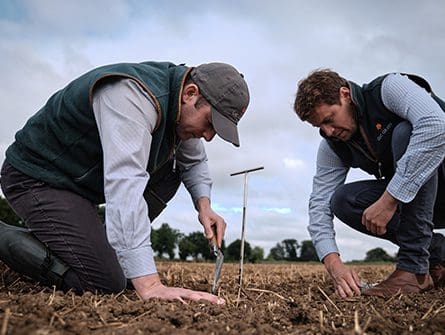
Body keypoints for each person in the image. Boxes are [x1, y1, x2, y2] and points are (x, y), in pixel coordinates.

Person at [0, 61, 250, 304]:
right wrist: (151, 286)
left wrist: (204, 207)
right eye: (209, 123)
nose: (208, 136)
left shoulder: (179, 109)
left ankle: (104, 248)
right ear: (190, 93)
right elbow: (125, 185)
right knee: (105, 282)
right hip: (38, 178)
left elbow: (193, 163)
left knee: (173, 172)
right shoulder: (131, 97)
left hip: (79, 185)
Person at [293, 69, 445, 298]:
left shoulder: (389, 88)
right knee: (343, 200)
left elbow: (435, 126)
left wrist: (390, 199)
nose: (328, 131)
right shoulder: (333, 145)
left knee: (407, 132)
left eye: (329, 119)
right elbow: (319, 204)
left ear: (345, 95)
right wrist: (334, 264)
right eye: (319, 127)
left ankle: (412, 268)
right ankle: (439, 255)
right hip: (423, 201)